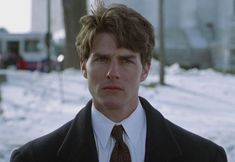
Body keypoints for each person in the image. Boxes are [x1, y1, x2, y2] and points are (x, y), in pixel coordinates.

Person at [10, 2, 227, 162]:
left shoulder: (204, 157)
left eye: (126, 60)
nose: (113, 73)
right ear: (84, 66)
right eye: (102, 59)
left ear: (146, 69)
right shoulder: (34, 158)